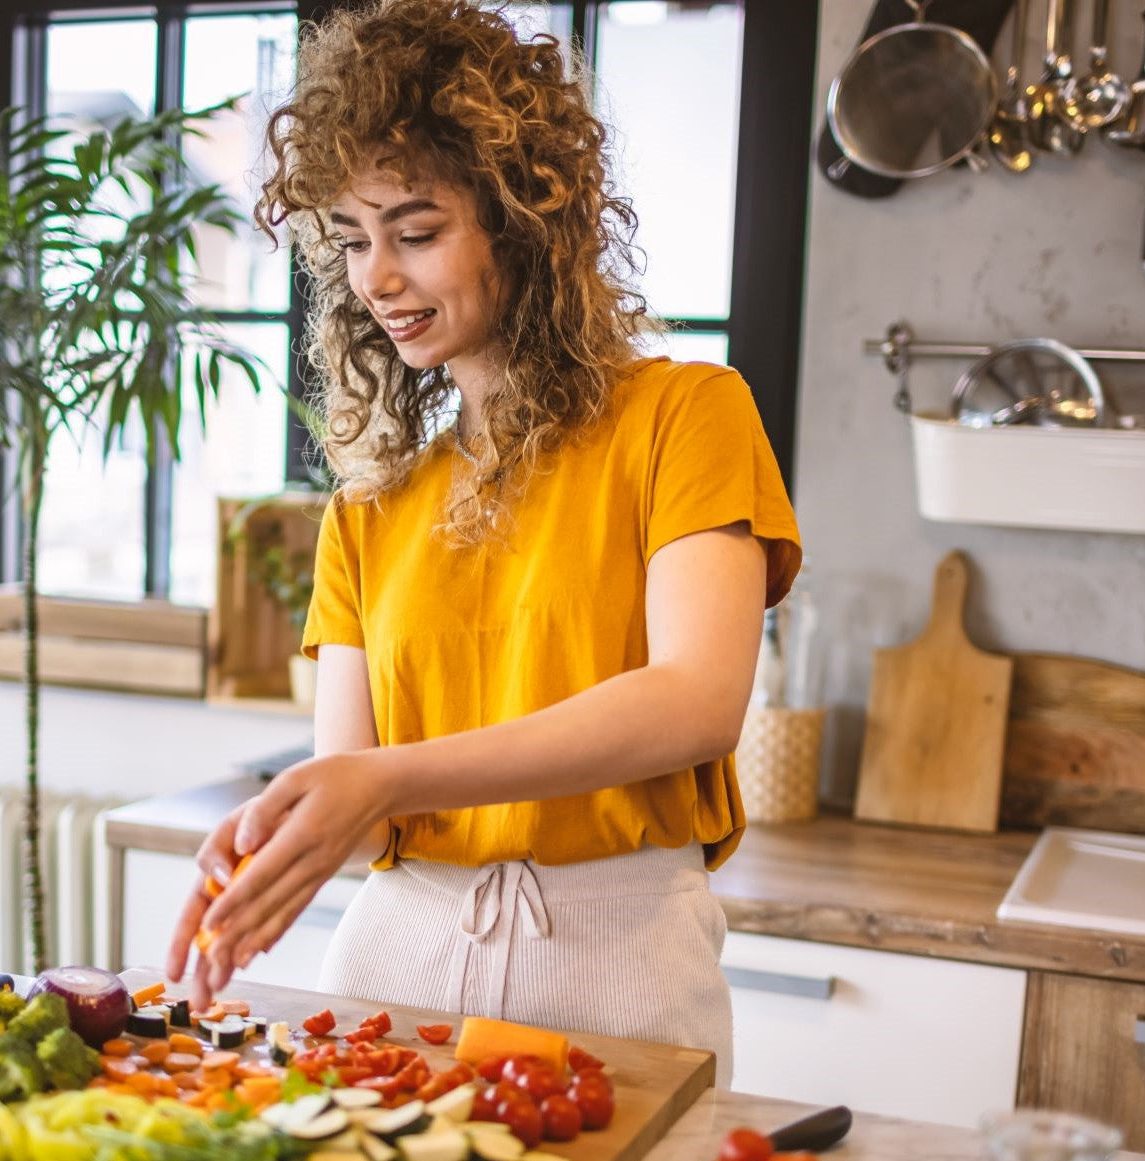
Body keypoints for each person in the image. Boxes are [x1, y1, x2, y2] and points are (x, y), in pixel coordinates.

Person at [166, 0, 801, 1084]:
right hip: (396, 956)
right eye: (353, 240)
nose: (376, 277)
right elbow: (363, 808)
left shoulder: (684, 415)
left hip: (625, 958)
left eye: (415, 231)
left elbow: (697, 698)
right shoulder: (367, 508)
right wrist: (281, 836)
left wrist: (380, 778)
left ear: (525, 219)